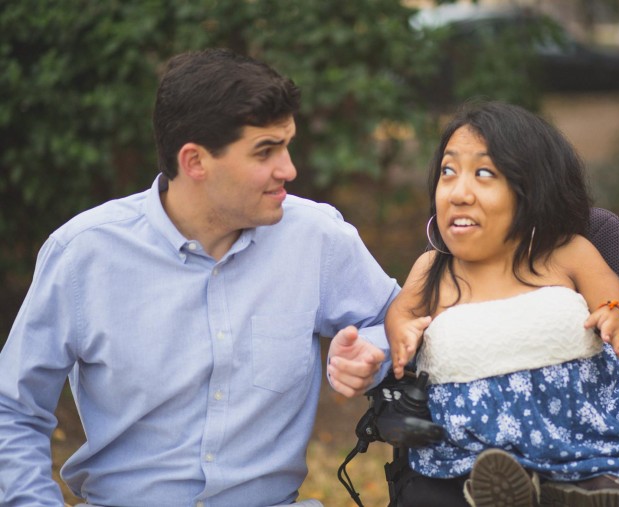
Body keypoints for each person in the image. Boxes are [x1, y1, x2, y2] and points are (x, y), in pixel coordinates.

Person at [0, 48, 400, 507]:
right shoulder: (84, 254)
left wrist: (375, 351)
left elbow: (399, 319)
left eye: (286, 145)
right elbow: (12, 408)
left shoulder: (318, 238)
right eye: (265, 152)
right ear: (195, 162)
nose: (289, 169)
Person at [385, 102, 619, 507]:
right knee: (490, 469)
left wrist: (612, 310)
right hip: (476, 440)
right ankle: (516, 489)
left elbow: (607, 286)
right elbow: (401, 313)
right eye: (448, 172)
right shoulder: (432, 268)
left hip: (583, 422)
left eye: (483, 174)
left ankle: (591, 491)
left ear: (532, 190)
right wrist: (402, 332)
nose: (458, 193)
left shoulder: (565, 252)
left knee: (612, 463)